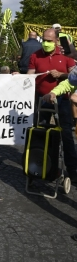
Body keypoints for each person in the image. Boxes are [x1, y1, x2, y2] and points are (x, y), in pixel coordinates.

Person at [27, 27, 77, 181]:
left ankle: (72, 170)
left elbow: (73, 77)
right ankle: (42, 167)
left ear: (56, 40)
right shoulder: (35, 55)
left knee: (66, 134)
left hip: (62, 101)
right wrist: (19, 76)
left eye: (49, 40)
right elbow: (30, 74)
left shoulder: (66, 55)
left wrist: (60, 75)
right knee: (40, 133)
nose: (46, 43)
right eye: (44, 40)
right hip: (42, 99)